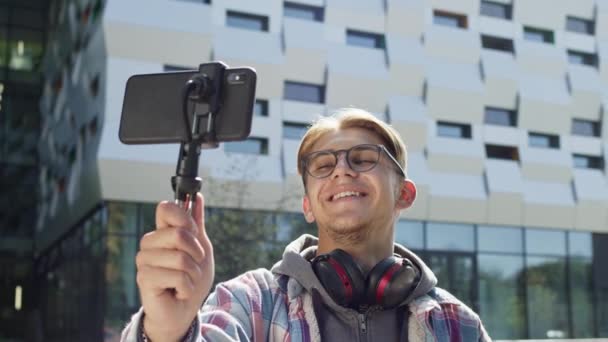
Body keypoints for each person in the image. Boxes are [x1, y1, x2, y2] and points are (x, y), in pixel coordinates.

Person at [121, 108, 490, 341]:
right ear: (307, 205)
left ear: (404, 195)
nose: (342, 169)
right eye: (324, 166)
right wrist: (168, 332)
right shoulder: (251, 301)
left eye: (363, 158)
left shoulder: (458, 324)